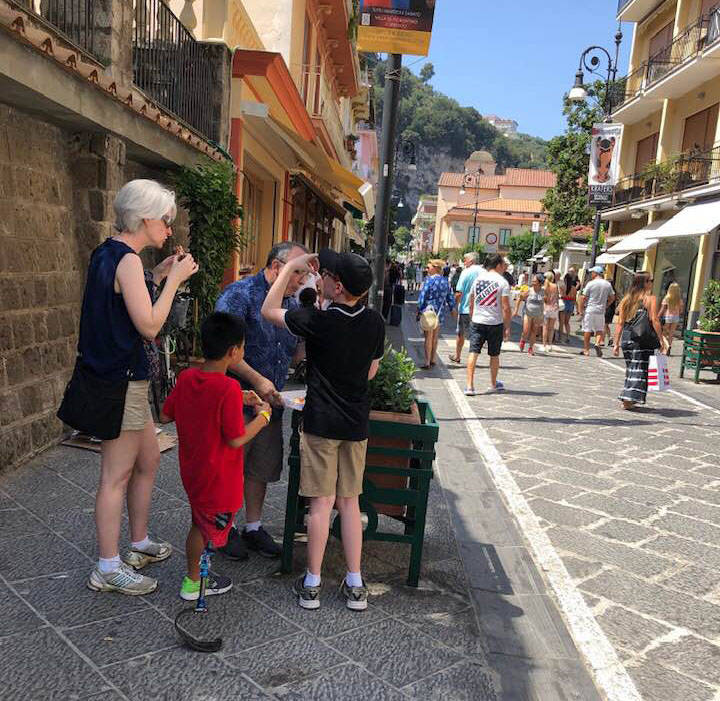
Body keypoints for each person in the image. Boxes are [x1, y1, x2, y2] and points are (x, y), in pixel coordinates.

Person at [83, 179, 199, 595]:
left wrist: (156, 274)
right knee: (115, 475)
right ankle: (108, 566)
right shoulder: (126, 261)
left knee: (148, 459)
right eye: (166, 220)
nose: (169, 228)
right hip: (121, 380)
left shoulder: (110, 253)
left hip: (117, 376)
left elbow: (121, 299)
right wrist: (173, 282)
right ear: (146, 218)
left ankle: (137, 542)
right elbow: (149, 325)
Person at [261, 249, 384, 611]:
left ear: (337, 285)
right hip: (355, 423)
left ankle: (312, 582)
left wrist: (287, 271)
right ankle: (355, 582)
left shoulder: (318, 321)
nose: (322, 277)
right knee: (349, 503)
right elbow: (371, 373)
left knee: (319, 505)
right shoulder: (374, 322)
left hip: (320, 422)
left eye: (326, 274)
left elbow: (269, 310)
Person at [160, 312, 272, 600]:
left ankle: (195, 577)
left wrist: (239, 397)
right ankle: (194, 581)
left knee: (199, 522)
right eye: (243, 347)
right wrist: (263, 418)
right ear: (233, 352)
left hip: (193, 470)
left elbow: (165, 413)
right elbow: (235, 439)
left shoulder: (187, 377)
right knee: (207, 530)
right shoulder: (228, 388)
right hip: (218, 476)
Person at [214, 241, 308, 560]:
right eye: (299, 272)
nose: (301, 280)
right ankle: (220, 529)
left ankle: (252, 527)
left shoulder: (292, 305)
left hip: (271, 402)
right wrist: (256, 379)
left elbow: (295, 349)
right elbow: (222, 347)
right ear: (277, 267)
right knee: (228, 467)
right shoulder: (239, 295)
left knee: (260, 467)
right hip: (235, 398)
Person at [613, 272, 666, 409]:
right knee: (639, 369)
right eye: (651, 280)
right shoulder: (650, 299)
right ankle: (628, 399)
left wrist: (616, 343)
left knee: (631, 368)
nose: (652, 283)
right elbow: (654, 319)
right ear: (645, 283)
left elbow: (620, 323)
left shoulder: (626, 299)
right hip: (641, 339)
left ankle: (628, 398)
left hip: (627, 337)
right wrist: (661, 339)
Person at [465, 254, 512, 395]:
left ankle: (469, 386)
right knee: (494, 355)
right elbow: (506, 308)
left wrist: (472, 318)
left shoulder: (478, 280)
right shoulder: (502, 282)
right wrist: (507, 327)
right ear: (497, 265)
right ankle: (493, 384)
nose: (504, 267)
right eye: (503, 264)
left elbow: (471, 301)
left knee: (473, 352)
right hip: (495, 322)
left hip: (478, 321)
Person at [417, 259, 456, 369]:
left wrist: (419, 310)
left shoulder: (429, 281)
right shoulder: (445, 282)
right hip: (440, 312)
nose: (427, 269)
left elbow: (423, 297)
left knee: (428, 337)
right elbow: (450, 298)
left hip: (428, 312)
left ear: (435, 268)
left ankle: (427, 361)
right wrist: (453, 308)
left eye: (428, 267)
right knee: (435, 337)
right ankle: (433, 358)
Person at [448, 252, 482, 364]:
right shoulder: (484, 272)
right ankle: (473, 358)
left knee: (461, 333)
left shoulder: (466, 272)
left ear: (471, 261)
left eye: (465, 260)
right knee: (475, 335)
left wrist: (454, 306)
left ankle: (458, 356)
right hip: (480, 309)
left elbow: (459, 292)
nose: (464, 262)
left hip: (466, 308)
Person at [577, 266, 614, 357]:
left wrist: (580, 310)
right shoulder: (607, 284)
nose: (591, 274)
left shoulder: (591, 283)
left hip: (590, 309)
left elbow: (583, 297)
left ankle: (586, 350)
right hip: (601, 310)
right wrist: (606, 305)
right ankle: (597, 343)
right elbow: (612, 297)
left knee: (587, 330)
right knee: (599, 329)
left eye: (592, 272)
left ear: (595, 273)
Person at [514, 273, 546, 356]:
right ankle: (522, 340)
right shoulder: (529, 290)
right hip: (528, 313)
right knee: (526, 331)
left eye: (534, 280)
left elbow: (545, 303)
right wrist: (516, 310)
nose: (532, 281)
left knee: (534, 331)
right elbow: (519, 299)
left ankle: (531, 348)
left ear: (539, 282)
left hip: (538, 314)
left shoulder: (543, 291)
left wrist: (544, 314)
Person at [659, 282, 685, 355]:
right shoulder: (679, 299)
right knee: (671, 333)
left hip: (667, 317)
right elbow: (681, 310)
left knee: (662, 333)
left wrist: (658, 316)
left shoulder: (667, 298)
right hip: (676, 317)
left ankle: (666, 347)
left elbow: (663, 309)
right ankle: (669, 346)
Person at [560, 267, 579, 343]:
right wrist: (576, 309)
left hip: (564, 303)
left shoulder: (563, 287)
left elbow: (561, 296)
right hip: (571, 304)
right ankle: (568, 336)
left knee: (561, 322)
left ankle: (560, 337)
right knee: (567, 322)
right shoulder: (574, 288)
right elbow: (575, 299)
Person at [542, 271, 560, 353]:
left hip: (546, 307)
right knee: (551, 328)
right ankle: (550, 344)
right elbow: (557, 297)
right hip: (554, 307)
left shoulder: (545, 286)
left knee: (545, 327)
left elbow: (544, 298)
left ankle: (544, 344)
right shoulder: (555, 286)